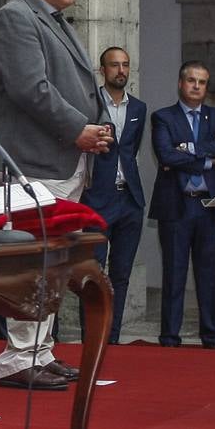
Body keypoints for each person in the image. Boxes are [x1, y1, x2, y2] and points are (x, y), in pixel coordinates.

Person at [0, 0, 110, 390]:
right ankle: (18, 360)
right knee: (32, 259)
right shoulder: (15, 18)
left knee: (52, 262)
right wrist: (78, 127)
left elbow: (75, 87)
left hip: (62, 159)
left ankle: (40, 350)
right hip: (30, 160)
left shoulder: (55, 21)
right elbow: (29, 89)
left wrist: (95, 127)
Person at [150, 60, 215, 348]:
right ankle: (170, 338)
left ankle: (211, 337)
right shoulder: (163, 117)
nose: (197, 86)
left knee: (209, 276)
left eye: (202, 82)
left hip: (209, 207)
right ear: (180, 83)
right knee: (174, 275)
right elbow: (166, 155)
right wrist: (208, 158)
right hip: (176, 207)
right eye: (191, 80)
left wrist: (189, 149)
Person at [80, 46, 147, 345]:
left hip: (129, 199)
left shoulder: (138, 108)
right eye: (114, 65)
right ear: (102, 70)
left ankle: (113, 338)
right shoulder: (89, 104)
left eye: (125, 65)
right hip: (97, 199)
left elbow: (130, 151)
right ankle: (91, 339)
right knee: (94, 275)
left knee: (121, 275)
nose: (121, 71)